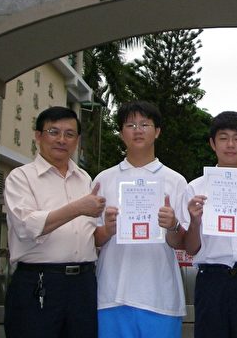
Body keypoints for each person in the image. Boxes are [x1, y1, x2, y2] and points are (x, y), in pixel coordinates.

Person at [3, 106, 106, 338]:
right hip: (39, 281)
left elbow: (89, 234)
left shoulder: (84, 178)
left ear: (77, 141)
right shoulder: (21, 177)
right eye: (53, 132)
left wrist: (109, 227)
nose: (61, 140)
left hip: (84, 284)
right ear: (38, 136)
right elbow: (26, 226)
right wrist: (77, 208)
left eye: (69, 134)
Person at [92, 101, 187, 338]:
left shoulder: (175, 181)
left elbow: (182, 242)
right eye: (130, 125)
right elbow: (92, 238)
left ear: (157, 131)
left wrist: (173, 225)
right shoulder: (103, 180)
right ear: (121, 133)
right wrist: (108, 230)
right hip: (112, 295)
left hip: (160, 297)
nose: (138, 130)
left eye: (145, 124)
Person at [183, 111, 237, 338]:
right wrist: (194, 222)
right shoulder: (195, 188)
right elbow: (191, 248)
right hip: (211, 280)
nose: (230, 145)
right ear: (213, 143)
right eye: (223, 138)